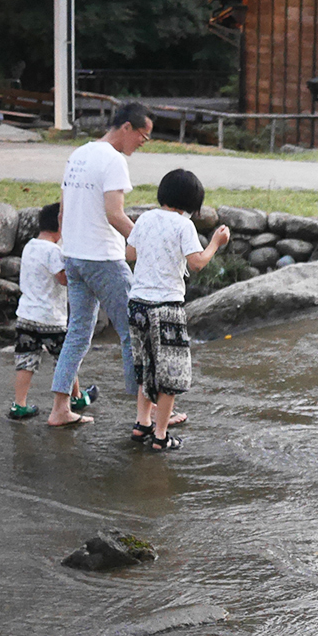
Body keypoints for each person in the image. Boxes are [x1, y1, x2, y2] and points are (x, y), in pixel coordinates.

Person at [47, 102, 154, 427]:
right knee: (133, 331)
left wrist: (66, 247)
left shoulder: (78, 154)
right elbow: (114, 214)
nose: (142, 143)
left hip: (75, 256)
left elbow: (62, 212)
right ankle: (146, 415)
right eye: (142, 136)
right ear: (126, 128)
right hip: (103, 259)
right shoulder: (113, 160)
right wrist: (148, 243)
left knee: (78, 332)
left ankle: (59, 409)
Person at [126, 168, 229, 451]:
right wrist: (216, 244)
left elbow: (130, 254)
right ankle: (160, 436)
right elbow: (196, 263)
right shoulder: (184, 226)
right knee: (170, 373)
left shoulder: (145, 218)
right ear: (192, 204)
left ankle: (142, 423)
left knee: (146, 366)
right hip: (166, 308)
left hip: (137, 305)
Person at [8, 202, 95, 420]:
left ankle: (19, 404)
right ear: (61, 226)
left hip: (26, 316)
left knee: (25, 361)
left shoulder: (30, 246)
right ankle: (76, 397)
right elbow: (62, 278)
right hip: (51, 318)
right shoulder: (53, 251)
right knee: (66, 358)